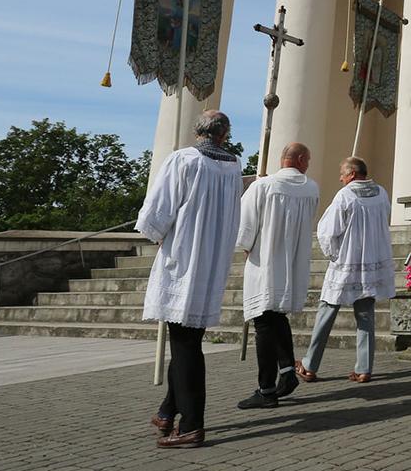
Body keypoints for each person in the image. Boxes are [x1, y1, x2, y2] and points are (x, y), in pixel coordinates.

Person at [135, 110, 243, 449]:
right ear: (224, 135)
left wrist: (155, 233)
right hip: (211, 264)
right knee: (186, 343)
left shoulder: (183, 159)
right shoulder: (233, 167)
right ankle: (168, 410)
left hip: (182, 260)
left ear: (199, 131)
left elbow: (157, 212)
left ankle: (193, 424)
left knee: (185, 347)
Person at [236, 142, 320, 409]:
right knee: (276, 317)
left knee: (263, 323)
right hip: (292, 262)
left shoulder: (262, 187)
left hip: (265, 262)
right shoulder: (311, 188)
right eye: (307, 160)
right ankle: (286, 372)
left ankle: (266, 389)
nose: (308, 164)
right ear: (300, 159)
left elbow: (245, 223)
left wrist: (246, 247)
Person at [296, 156, 393, 384]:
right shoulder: (381, 193)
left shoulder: (346, 195)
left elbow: (329, 231)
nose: (340, 178)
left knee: (326, 312)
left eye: (342, 173)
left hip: (347, 263)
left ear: (351, 174)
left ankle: (310, 365)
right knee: (365, 315)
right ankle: (363, 369)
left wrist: (333, 254)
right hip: (370, 264)